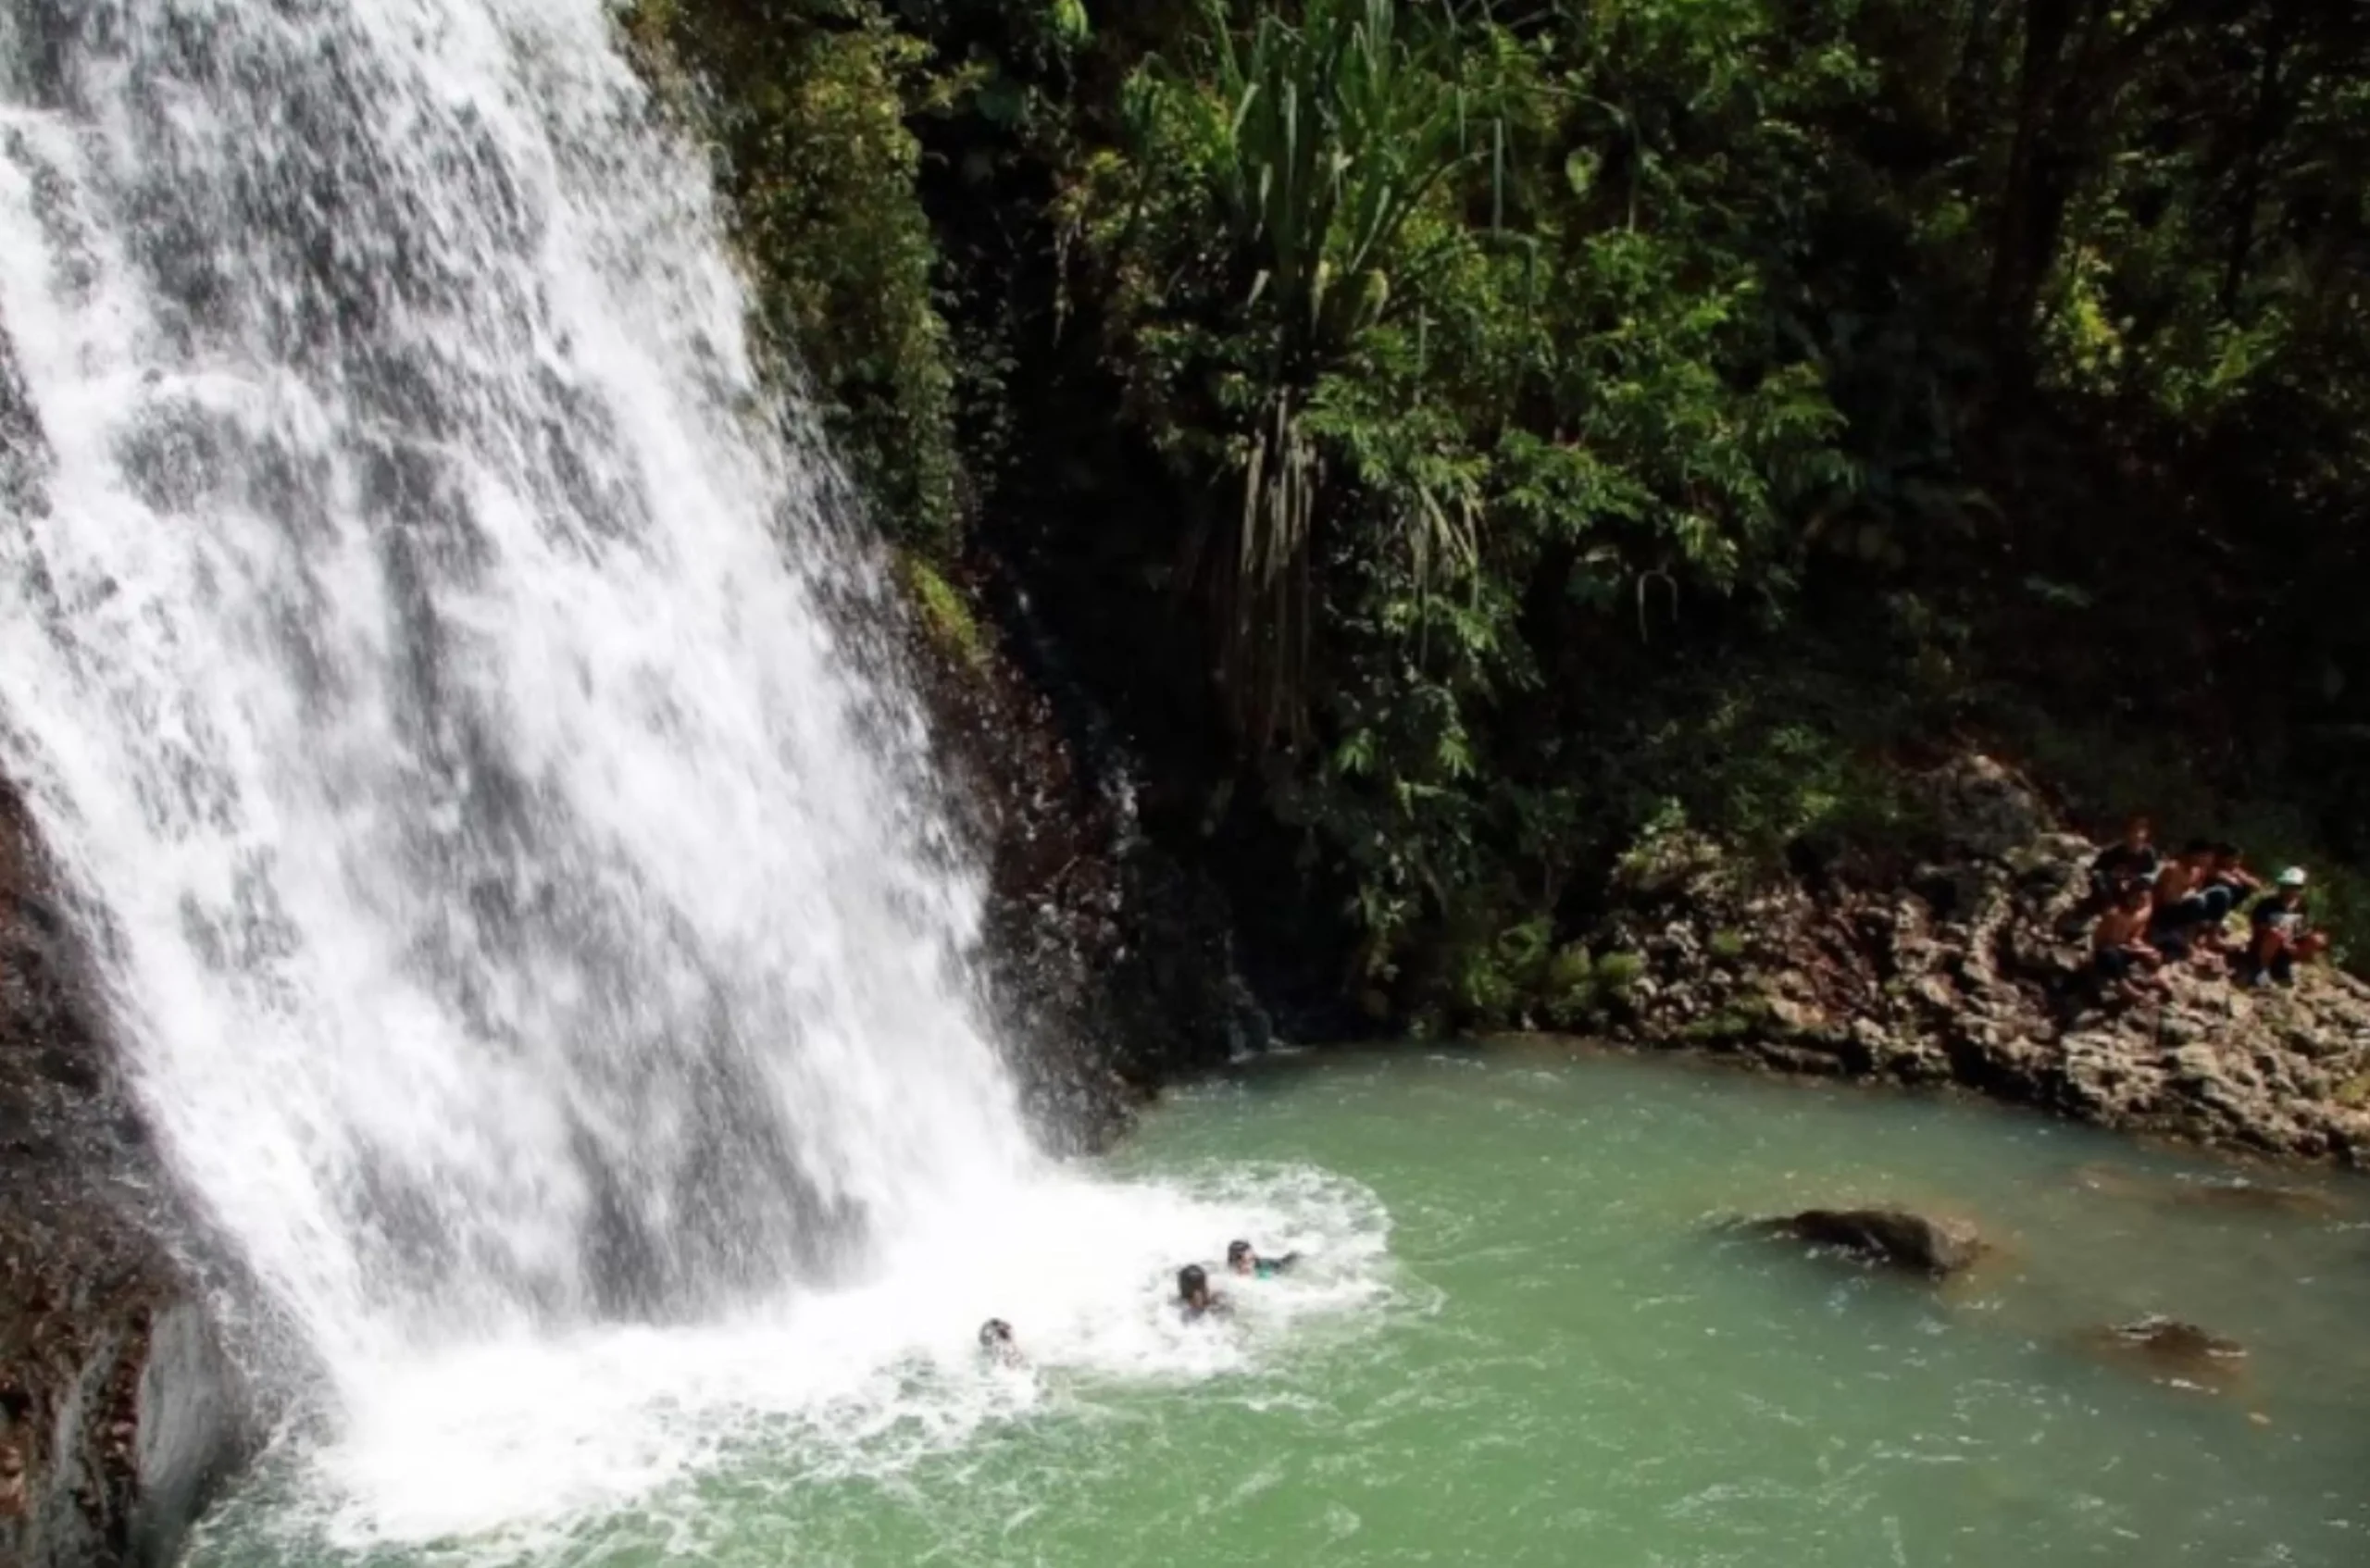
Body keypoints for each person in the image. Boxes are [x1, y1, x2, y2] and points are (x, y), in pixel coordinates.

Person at [2243, 868, 2327, 987]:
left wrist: (2294, 942)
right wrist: (2280, 937)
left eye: (2294, 887)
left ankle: (2286, 965)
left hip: (2286, 948)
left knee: (2317, 939)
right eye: (2287, 886)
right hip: (2264, 946)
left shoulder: (2302, 908)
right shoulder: (2267, 904)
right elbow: (2258, 926)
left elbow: (2302, 930)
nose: (2289, 890)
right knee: (2275, 934)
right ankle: (2261, 968)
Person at [2147, 840, 2217, 961]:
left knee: (2211, 899)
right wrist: (2189, 894)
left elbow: (2196, 890)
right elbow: (2167, 899)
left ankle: (2188, 940)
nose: (2208, 861)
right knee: (2197, 903)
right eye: (2206, 857)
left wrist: (2189, 894)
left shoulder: (2198, 871)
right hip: (2161, 912)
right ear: (2195, 854)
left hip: (2179, 907)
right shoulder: (2173, 869)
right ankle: (2173, 938)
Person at [2091, 881, 2163, 991]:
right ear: (2130, 895)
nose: (2141, 903)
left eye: (2145, 900)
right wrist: (2130, 948)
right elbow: (2103, 942)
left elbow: (2134, 937)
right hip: (2107, 952)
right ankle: (2125, 987)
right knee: (2110, 954)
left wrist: (2146, 950)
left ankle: (2152, 977)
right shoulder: (2114, 914)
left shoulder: (2142, 914)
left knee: (2153, 954)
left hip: (2124, 949)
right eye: (2138, 898)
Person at [2089, 815, 2161, 902]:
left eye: (2141, 831)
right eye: (2134, 831)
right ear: (2127, 833)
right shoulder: (2113, 852)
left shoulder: (2148, 854)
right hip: (2113, 892)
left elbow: (2152, 876)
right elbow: (2096, 871)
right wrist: (2114, 877)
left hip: (2135, 893)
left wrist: (2134, 881)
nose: (2137, 835)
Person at [1226, 1239, 1300, 1279]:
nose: (1251, 1265)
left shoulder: (1261, 1267)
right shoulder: (1232, 1280)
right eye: (1247, 1262)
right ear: (1237, 1263)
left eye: (1253, 1259)